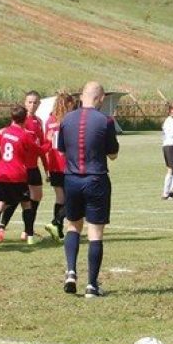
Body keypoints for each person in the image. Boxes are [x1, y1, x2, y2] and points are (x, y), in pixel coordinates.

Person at [57, 81, 119, 298]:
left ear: (82, 95)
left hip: (71, 179)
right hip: (96, 179)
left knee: (73, 226)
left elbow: (62, 150)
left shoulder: (66, 119)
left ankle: (71, 271)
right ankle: (92, 285)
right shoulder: (106, 121)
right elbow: (113, 154)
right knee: (95, 232)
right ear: (101, 98)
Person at [0, 105, 51, 247]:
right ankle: (30, 237)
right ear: (25, 118)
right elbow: (39, 151)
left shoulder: (3, 132)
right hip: (17, 175)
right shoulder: (25, 135)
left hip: (0, 174)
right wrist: (50, 141)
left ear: (11, 117)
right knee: (26, 204)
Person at [0, 91, 48, 242]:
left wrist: (47, 168)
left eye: (35, 102)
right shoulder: (20, 120)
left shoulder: (38, 121)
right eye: (30, 102)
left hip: (33, 166)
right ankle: (2, 226)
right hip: (21, 167)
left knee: (36, 197)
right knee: (15, 198)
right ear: (25, 103)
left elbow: (41, 146)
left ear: (39, 104)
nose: (32, 105)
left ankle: (27, 230)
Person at [43, 92, 75, 242]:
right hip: (67, 164)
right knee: (73, 199)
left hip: (53, 163)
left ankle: (58, 231)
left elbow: (47, 141)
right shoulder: (68, 120)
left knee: (60, 197)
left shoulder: (49, 120)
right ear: (68, 104)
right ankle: (55, 222)